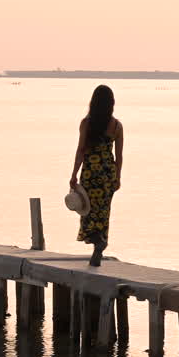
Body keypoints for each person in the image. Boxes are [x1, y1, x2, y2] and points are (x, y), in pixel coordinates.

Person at [70, 85, 123, 267]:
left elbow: (81, 150)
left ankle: (96, 241)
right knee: (102, 212)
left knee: (87, 210)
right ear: (111, 103)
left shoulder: (87, 123)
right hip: (107, 173)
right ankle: (98, 248)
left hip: (91, 171)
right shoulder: (116, 126)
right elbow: (119, 155)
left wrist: (74, 174)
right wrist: (117, 178)